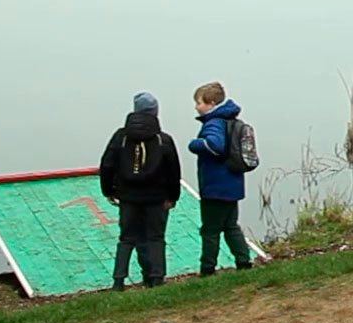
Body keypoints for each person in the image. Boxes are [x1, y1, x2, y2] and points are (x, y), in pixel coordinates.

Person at [98, 91, 181, 290]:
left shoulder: (121, 137)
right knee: (156, 238)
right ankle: (157, 279)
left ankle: (119, 281)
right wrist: (172, 196)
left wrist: (108, 190)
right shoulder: (163, 139)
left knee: (126, 239)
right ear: (156, 112)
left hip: (128, 197)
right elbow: (173, 171)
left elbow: (107, 164)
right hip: (157, 198)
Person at [190, 82, 253, 277]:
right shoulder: (230, 120)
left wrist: (195, 144)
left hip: (215, 187)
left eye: (198, 102)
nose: (196, 106)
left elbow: (215, 145)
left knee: (210, 229)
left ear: (210, 103)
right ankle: (244, 260)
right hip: (232, 185)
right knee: (230, 226)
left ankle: (207, 268)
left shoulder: (214, 122)